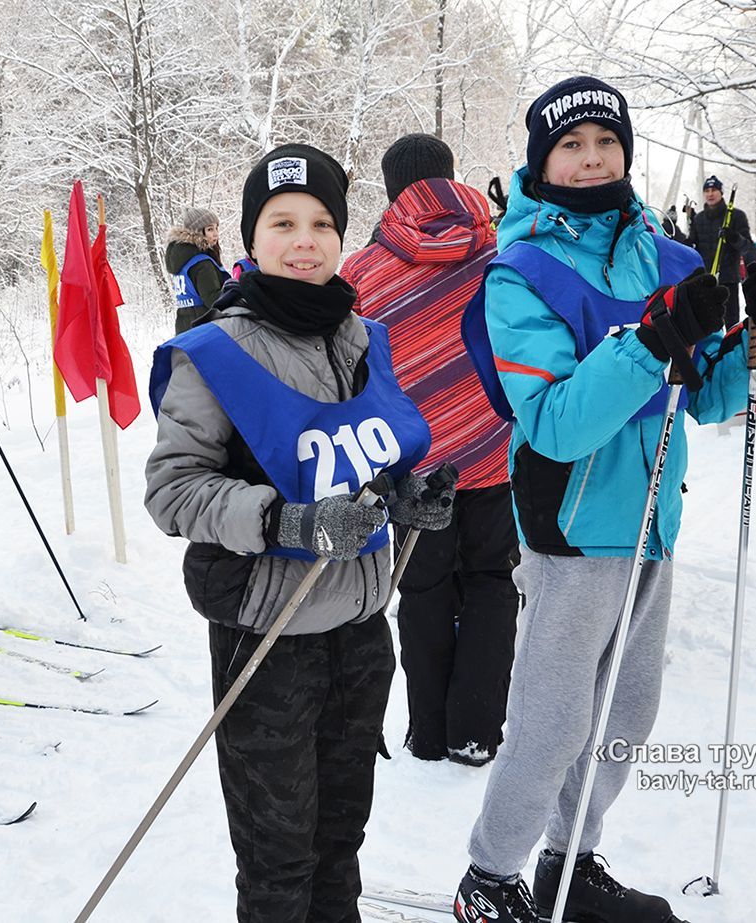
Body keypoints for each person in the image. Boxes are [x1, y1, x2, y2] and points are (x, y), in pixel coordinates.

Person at [454, 77, 756, 923]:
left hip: (652, 518)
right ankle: (489, 878)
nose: (589, 158)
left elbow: (712, 397)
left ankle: (568, 865)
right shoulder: (520, 272)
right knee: (554, 719)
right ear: (541, 160)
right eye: (570, 145)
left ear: (627, 152)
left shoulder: (663, 257)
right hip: (571, 522)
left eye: (604, 142)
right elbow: (558, 421)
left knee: (627, 712)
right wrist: (652, 337)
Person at [145, 144, 447, 922]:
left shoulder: (361, 338)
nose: (303, 239)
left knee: (341, 838)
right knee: (279, 857)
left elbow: (363, 457)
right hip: (268, 634)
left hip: (359, 631)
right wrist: (287, 521)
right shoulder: (217, 350)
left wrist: (407, 497)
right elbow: (173, 490)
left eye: (320, 222)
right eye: (282, 222)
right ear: (252, 238)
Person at [341, 133, 518, 766]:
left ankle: (430, 729)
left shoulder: (361, 270)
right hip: (496, 448)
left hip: (411, 461)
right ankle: (478, 730)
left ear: (391, 188)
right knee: (494, 583)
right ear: (449, 177)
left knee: (423, 590)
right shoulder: (500, 251)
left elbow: (347, 369)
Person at [686, 175, 756, 328]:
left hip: (728, 280)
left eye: (714, 190)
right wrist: (686, 245)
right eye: (706, 190)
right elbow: (693, 246)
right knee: (703, 322)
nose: (710, 194)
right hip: (704, 279)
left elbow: (748, 248)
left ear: (721, 192)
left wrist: (734, 238)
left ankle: (729, 350)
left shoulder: (736, 216)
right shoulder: (699, 219)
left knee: (730, 323)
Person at [165, 206, 228, 334]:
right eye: (210, 229)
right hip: (205, 328)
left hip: (184, 328)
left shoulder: (182, 260)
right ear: (198, 231)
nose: (216, 234)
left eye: (216, 228)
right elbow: (214, 300)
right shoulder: (202, 263)